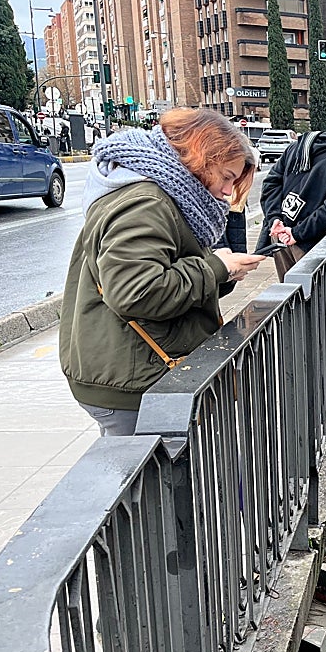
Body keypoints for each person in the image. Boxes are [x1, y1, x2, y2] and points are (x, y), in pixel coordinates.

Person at [58, 108, 264, 436]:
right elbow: (135, 292)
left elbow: (161, 269)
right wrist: (214, 268)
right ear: (201, 158)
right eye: (227, 176)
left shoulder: (163, 192)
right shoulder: (147, 204)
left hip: (133, 365)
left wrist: (220, 272)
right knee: (152, 480)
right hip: (131, 377)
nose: (228, 191)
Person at [258, 109, 326, 279]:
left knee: (289, 294)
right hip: (309, 244)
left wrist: (275, 219)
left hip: (280, 236)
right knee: (315, 298)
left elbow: (271, 184)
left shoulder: (296, 147)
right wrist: (296, 233)